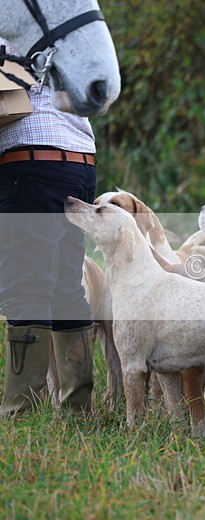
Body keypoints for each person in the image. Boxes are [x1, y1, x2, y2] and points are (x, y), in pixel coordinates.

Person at [0, 37, 97, 416]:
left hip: (28, 159)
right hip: (79, 161)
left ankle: (19, 411)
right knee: (65, 287)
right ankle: (78, 409)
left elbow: (12, 88)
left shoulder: (12, 28)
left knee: (27, 287)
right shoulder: (67, 29)